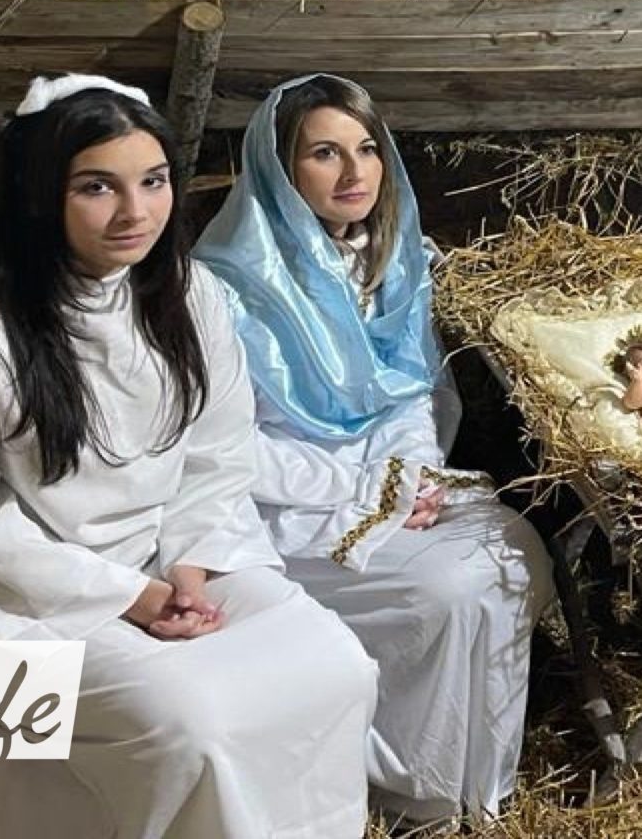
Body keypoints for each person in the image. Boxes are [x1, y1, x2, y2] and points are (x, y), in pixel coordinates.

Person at [0, 74, 379, 839]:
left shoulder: (188, 292)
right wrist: (130, 596)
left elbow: (217, 452)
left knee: (336, 667)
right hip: (17, 598)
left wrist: (188, 566)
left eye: (152, 181)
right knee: (191, 725)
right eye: (97, 187)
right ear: (38, 193)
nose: (135, 212)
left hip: (172, 559)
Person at [193, 73, 553, 827]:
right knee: (447, 586)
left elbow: (414, 393)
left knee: (511, 550)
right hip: (287, 508)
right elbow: (228, 445)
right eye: (325, 152)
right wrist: (365, 490)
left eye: (367, 148)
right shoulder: (221, 287)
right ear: (280, 168)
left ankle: (475, 789)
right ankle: (407, 788)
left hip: (392, 483)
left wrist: (412, 477)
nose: (354, 172)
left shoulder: (391, 262)